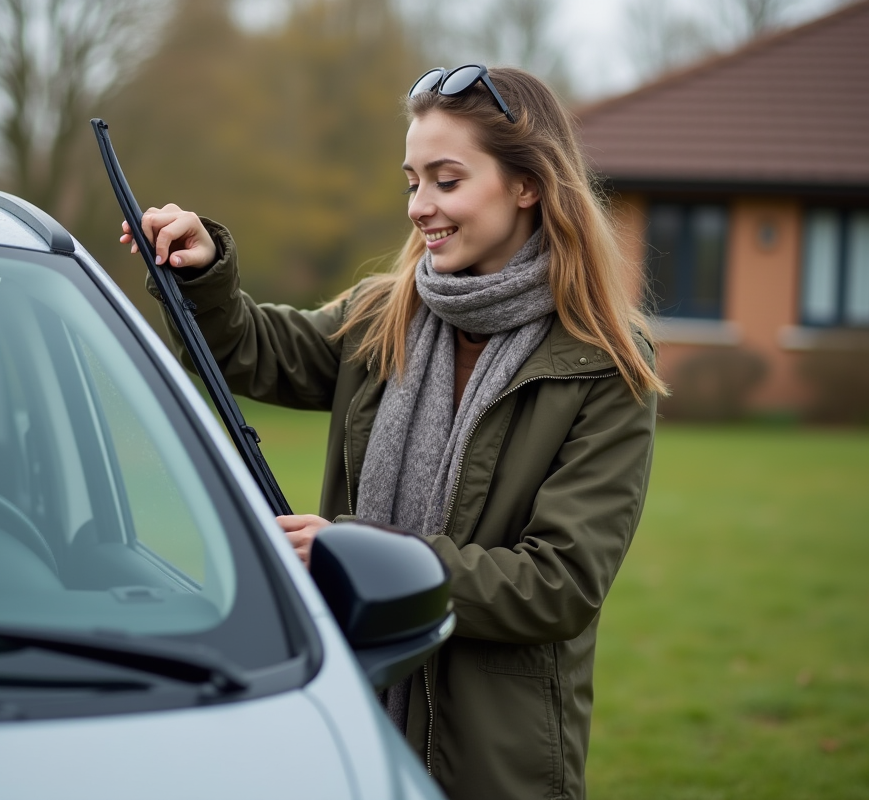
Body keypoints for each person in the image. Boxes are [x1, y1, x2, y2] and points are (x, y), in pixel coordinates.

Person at [121, 64, 665, 800]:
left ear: (527, 184)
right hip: (349, 716)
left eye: (446, 180)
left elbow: (558, 585)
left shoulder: (604, 361)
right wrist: (203, 272)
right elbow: (252, 350)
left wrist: (366, 557)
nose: (419, 206)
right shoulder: (386, 314)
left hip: (493, 758)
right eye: (412, 182)